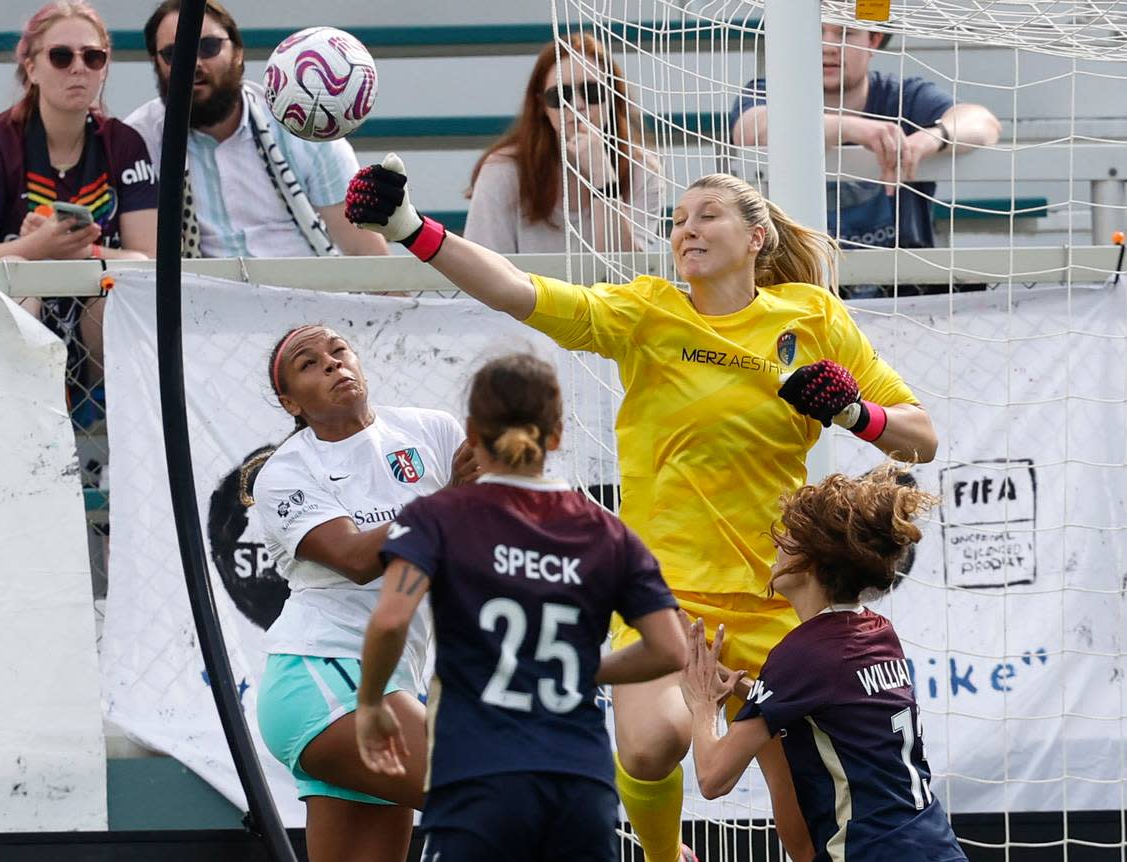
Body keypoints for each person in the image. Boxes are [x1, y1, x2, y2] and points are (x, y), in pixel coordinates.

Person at [345, 155, 939, 862]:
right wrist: (411, 228)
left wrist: (853, 411)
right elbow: (516, 290)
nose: (686, 229)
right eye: (677, 219)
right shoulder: (647, 312)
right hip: (667, 595)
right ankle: (663, 857)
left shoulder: (812, 318)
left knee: (803, 833)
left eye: (707, 215)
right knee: (657, 743)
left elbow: (921, 437)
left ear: (756, 239)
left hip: (781, 600)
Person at [356, 353, 687, 862]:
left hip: (478, 777)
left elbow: (391, 619)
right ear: (556, 434)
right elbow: (669, 649)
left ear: (471, 431)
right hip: (581, 780)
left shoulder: (437, 516)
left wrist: (372, 704)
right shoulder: (607, 531)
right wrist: (586, 670)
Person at [245, 324, 476, 862]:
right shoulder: (285, 473)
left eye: (338, 350)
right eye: (308, 363)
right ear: (290, 402)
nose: (331, 364)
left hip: (391, 681)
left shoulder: (431, 430)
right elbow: (355, 559)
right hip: (324, 678)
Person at [681, 464, 968, 862]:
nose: (775, 547)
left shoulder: (802, 654)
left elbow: (713, 778)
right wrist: (748, 689)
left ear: (810, 560)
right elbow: (829, 704)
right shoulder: (878, 632)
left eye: (786, 538)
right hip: (935, 846)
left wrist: (701, 703)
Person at [0, 0, 158, 424]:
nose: (78, 68)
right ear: (31, 67)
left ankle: (122, 437)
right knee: (18, 281)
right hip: (15, 331)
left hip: (93, 336)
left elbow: (148, 260)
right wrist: (34, 248)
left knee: (118, 294)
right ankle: (22, 430)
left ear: (105, 66)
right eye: (61, 56)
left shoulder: (124, 144)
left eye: (92, 56)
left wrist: (82, 255)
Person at [126, 0, 387, 260]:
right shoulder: (139, 139)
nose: (193, 63)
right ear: (156, 63)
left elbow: (363, 249)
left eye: (208, 47)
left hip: (307, 293)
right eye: (174, 53)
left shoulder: (299, 121)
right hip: (201, 298)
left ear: (238, 51)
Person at [730, 23, 1001, 254]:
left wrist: (929, 138)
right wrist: (854, 129)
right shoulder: (770, 91)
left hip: (901, 289)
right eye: (815, 32)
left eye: (846, 33)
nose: (828, 47)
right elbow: (749, 128)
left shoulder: (903, 95)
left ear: (874, 40)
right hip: (801, 286)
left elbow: (983, 122)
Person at [464, 32, 664, 253]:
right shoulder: (503, 169)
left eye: (592, 91)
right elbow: (484, 268)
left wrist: (603, 180)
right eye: (559, 96)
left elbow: (626, 275)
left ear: (613, 95)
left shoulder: (642, 169)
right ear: (541, 105)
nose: (577, 105)